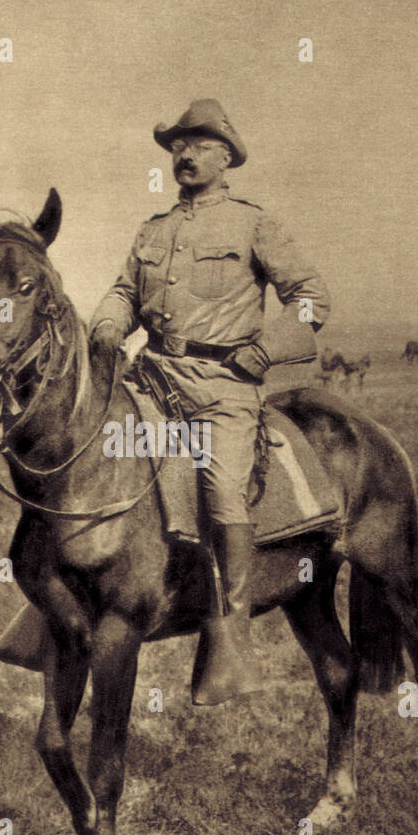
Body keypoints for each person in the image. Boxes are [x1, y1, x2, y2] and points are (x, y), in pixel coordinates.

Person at [89, 99, 330, 704]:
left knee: (221, 488)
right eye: (177, 145)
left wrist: (266, 350)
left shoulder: (253, 225)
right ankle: (62, 604)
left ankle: (231, 628)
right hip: (153, 376)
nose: (184, 154)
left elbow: (310, 296)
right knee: (89, 459)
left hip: (224, 385)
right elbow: (123, 291)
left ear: (226, 157)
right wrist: (109, 325)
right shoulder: (154, 230)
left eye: (198, 145)